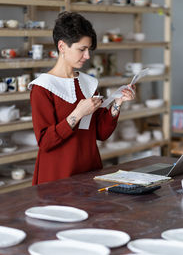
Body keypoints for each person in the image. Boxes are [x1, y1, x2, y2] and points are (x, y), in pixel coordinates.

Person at [28, 11, 135, 185]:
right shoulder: (42, 87)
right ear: (62, 46)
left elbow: (101, 133)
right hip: (57, 177)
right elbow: (45, 142)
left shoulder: (88, 83)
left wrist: (117, 103)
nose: (87, 56)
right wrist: (77, 114)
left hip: (89, 172)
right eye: (82, 49)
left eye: (89, 49)